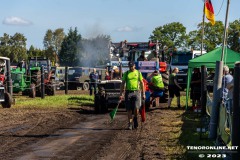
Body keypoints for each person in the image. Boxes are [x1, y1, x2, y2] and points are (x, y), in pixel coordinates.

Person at [119, 61, 145, 130]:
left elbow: (142, 83)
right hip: (128, 92)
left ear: (134, 66)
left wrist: (143, 93)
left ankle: (135, 118)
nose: (131, 67)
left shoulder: (138, 73)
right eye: (130, 66)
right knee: (129, 110)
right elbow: (123, 83)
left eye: (132, 66)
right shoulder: (126, 73)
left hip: (136, 92)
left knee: (136, 109)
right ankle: (130, 123)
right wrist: (121, 93)